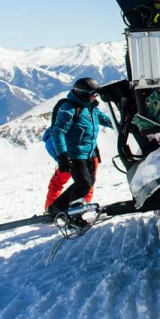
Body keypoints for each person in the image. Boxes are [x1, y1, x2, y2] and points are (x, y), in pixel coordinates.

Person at [46, 77, 113, 216]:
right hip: (74, 154)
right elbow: (58, 132)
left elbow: (105, 120)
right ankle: (73, 216)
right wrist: (63, 156)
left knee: (88, 182)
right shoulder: (69, 108)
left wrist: (125, 125)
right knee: (83, 184)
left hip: (89, 153)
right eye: (93, 94)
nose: (95, 97)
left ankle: (56, 208)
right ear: (83, 93)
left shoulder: (91, 108)